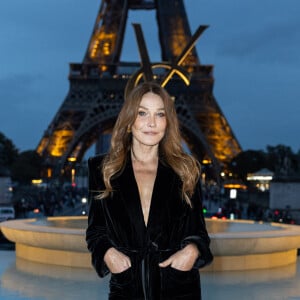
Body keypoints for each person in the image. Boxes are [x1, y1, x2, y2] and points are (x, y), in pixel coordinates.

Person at [86, 81, 213, 299]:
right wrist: (108, 254)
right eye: (143, 113)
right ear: (129, 120)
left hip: (178, 288)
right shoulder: (102, 169)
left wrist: (192, 251)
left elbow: (198, 231)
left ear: (168, 122)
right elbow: (96, 231)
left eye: (160, 114)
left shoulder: (186, 169)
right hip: (126, 288)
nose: (152, 123)